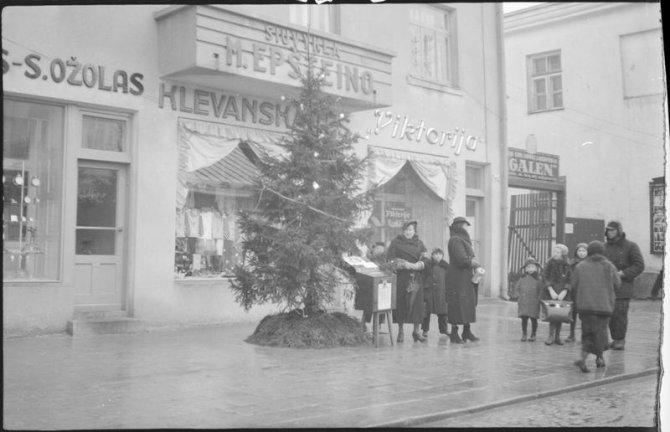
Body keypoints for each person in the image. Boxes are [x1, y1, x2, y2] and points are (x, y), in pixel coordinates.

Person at [572, 241, 620, 372]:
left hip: (585, 306)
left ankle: (589, 357)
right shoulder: (609, 266)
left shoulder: (580, 266)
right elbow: (617, 283)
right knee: (600, 333)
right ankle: (593, 358)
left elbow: (574, 284)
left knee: (587, 332)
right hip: (603, 306)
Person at [603, 221, 645, 350]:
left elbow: (639, 265)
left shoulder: (631, 246)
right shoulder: (604, 247)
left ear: (619, 231)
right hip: (607, 286)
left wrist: (623, 273)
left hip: (623, 286)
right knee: (608, 314)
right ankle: (614, 339)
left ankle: (620, 340)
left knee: (619, 315)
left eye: (613, 230)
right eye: (608, 230)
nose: (610, 233)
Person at [386, 220, 429, 343]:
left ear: (414, 231)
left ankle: (416, 331)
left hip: (415, 278)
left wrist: (417, 265)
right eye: (406, 230)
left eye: (410, 230)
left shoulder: (419, 244)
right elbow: (389, 259)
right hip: (402, 278)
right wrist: (400, 264)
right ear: (403, 231)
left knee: (416, 305)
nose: (408, 232)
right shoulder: (396, 242)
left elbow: (426, 260)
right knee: (401, 304)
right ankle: (400, 331)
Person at [445, 216, 481, 343]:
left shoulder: (464, 240)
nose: (467, 229)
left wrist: (475, 265)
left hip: (466, 277)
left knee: (468, 304)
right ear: (460, 226)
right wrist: (473, 263)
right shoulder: (455, 240)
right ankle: (454, 333)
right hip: (457, 278)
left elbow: (468, 258)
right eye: (465, 226)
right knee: (456, 304)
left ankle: (467, 331)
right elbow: (461, 259)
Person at [542, 243, 572, 346]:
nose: (555, 253)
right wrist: (550, 290)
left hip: (563, 293)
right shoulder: (549, 263)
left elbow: (570, 279)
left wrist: (565, 291)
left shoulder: (567, 265)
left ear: (562, 254)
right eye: (554, 251)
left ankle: (558, 336)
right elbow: (545, 277)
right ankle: (550, 336)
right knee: (552, 314)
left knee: (560, 315)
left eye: (558, 252)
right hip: (552, 292)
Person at [358, 242, 389, 329]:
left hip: (379, 277)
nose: (376, 250)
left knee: (379, 303)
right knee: (372, 302)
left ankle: (375, 323)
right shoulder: (376, 251)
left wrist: (368, 252)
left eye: (377, 248)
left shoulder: (381, 251)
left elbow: (372, 256)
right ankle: (368, 322)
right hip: (373, 277)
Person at [421, 248, 449, 338]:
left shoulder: (446, 266)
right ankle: (425, 330)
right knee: (426, 312)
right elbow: (423, 276)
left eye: (440, 254)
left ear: (442, 255)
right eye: (435, 254)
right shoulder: (428, 264)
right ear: (432, 255)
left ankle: (444, 330)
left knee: (443, 312)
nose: (438, 256)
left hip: (441, 292)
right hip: (429, 291)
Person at [515, 257, 542, 342]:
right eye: (528, 267)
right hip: (524, 302)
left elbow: (541, 290)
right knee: (524, 319)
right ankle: (524, 334)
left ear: (536, 268)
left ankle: (533, 334)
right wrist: (519, 297)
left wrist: (539, 299)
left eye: (532, 267)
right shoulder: (522, 278)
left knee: (534, 319)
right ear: (525, 269)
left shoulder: (539, 279)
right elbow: (517, 288)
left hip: (534, 302)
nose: (530, 269)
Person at [566, 243, 588, 343]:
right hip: (574, 291)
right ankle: (571, 334)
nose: (581, 253)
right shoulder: (572, 263)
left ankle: (585, 336)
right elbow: (569, 276)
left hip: (585, 292)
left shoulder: (590, 263)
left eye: (584, 251)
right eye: (579, 251)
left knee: (584, 315)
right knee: (572, 314)